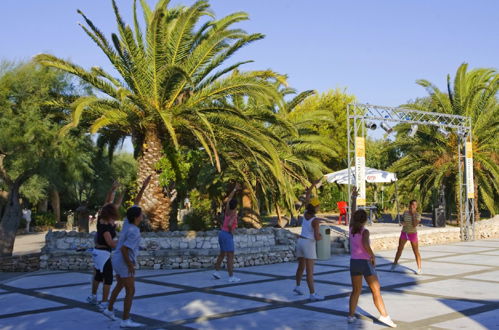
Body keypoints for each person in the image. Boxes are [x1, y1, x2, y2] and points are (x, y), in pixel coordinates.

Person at [348, 208, 397, 328]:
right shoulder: (365, 232)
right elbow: (365, 244)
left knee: (356, 290)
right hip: (365, 263)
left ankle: (351, 315)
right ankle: (384, 316)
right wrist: (373, 256)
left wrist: (354, 198)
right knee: (376, 290)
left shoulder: (351, 229)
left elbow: (352, 216)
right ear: (365, 220)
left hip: (354, 262)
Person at [103, 205, 144, 328]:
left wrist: (142, 188)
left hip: (116, 259)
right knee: (131, 290)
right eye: (141, 214)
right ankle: (125, 320)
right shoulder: (134, 231)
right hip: (123, 261)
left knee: (120, 284)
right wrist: (130, 264)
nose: (143, 215)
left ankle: (109, 309)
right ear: (137, 217)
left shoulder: (127, 224)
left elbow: (134, 205)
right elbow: (124, 249)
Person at [87, 203, 119, 311]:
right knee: (108, 278)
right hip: (103, 254)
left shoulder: (100, 222)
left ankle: (93, 297)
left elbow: (110, 202)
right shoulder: (105, 228)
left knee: (98, 276)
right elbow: (110, 243)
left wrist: (113, 190)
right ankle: (104, 302)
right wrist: (123, 241)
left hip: (98, 253)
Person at [293, 196, 324, 301]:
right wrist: (321, 236)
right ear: (315, 207)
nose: (319, 208)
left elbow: (307, 198)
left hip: (300, 241)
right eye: (318, 206)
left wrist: (312, 186)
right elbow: (316, 237)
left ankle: (297, 286)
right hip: (308, 244)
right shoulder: (315, 221)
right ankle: (312, 294)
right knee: (310, 271)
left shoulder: (305, 213)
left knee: (301, 267)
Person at [212, 183, 242, 283]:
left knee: (222, 254)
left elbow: (229, 199)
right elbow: (230, 224)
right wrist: (231, 232)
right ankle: (231, 277)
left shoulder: (228, 210)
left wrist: (234, 190)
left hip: (221, 233)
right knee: (230, 256)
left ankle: (216, 271)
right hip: (227, 235)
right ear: (236, 206)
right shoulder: (234, 214)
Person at [391, 200, 422, 274]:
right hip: (404, 233)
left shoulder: (418, 215)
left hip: (412, 234)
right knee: (399, 249)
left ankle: (419, 268)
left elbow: (414, 225)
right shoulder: (405, 213)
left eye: (415, 205)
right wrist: (402, 223)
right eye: (413, 205)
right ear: (410, 205)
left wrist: (413, 215)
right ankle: (395, 263)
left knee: (416, 251)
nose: (414, 206)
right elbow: (402, 221)